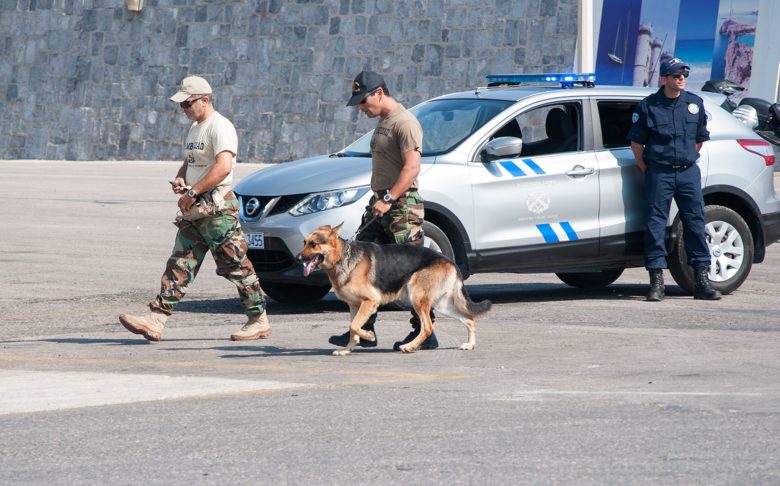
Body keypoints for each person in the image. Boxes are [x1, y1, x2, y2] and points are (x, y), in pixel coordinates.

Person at [119, 75, 272, 341]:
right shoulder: (196, 128)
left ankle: (258, 319)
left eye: (187, 104)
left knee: (235, 266)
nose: (184, 110)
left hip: (218, 211)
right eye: (181, 105)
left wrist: (193, 191)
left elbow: (223, 167)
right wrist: (182, 179)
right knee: (179, 263)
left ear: (205, 99)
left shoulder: (220, 126)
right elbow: (191, 162)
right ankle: (156, 319)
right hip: (196, 210)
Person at [328, 70, 439, 351]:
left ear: (379, 92)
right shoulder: (383, 122)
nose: (362, 108)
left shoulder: (405, 122)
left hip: (401, 206)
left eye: (364, 101)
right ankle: (363, 330)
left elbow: (412, 167)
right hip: (380, 203)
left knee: (412, 266)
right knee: (359, 264)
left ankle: (426, 332)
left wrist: (389, 198)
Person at [628, 58, 722, 302]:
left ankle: (701, 280)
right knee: (655, 224)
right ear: (664, 78)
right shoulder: (649, 106)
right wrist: (648, 170)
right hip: (659, 172)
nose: (681, 78)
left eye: (684, 74)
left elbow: (699, 139)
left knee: (695, 223)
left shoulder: (694, 104)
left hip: (688, 172)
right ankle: (657, 282)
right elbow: (637, 144)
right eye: (676, 75)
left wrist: (685, 160)